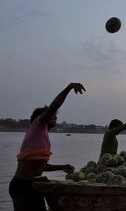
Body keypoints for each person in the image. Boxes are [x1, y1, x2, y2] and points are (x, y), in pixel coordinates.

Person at [9, 82, 86, 211]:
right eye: (52, 115)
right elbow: (53, 106)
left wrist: (62, 167)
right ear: (41, 117)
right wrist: (69, 88)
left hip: (32, 185)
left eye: (56, 115)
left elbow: (39, 167)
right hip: (22, 186)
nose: (55, 116)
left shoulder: (41, 135)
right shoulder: (37, 125)